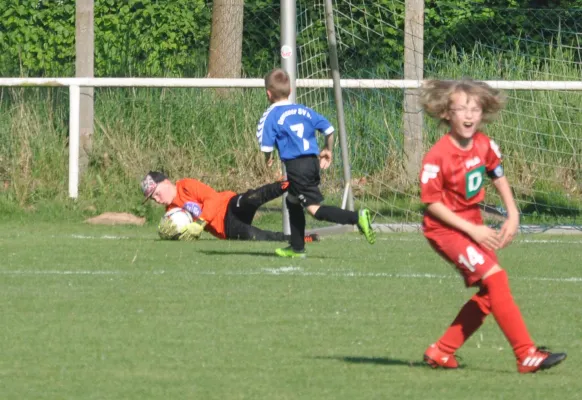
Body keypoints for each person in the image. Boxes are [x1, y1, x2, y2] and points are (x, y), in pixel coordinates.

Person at [419, 79, 566, 373]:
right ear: (447, 114)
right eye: (461, 109)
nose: (469, 115)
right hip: (445, 230)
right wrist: (473, 230)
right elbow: (431, 203)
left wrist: (513, 213)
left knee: (490, 294)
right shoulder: (438, 155)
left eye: (474, 108)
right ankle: (526, 354)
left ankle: (441, 351)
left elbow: (497, 174)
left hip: (472, 223)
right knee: (496, 281)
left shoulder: (484, 144)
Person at [256, 68, 376, 258]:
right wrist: (327, 149)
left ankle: (357, 217)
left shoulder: (271, 115)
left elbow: (265, 145)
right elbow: (329, 129)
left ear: (268, 94)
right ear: (290, 91)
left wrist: (267, 159)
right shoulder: (304, 110)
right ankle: (296, 247)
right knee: (292, 201)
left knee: (314, 209)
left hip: (297, 167)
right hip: (312, 162)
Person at [141, 171, 319, 243]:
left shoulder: (186, 185)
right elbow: (185, 233)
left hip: (229, 205)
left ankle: (290, 184)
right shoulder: (172, 214)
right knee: (254, 236)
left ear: (165, 181)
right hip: (227, 228)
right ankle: (300, 239)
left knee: (252, 198)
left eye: (156, 193)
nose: (157, 199)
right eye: (152, 198)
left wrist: (200, 222)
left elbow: (211, 198)